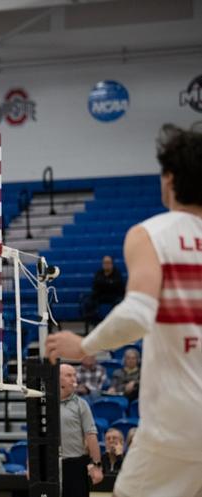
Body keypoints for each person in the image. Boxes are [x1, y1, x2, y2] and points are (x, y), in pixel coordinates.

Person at [49, 124, 202, 497]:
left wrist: (83, 345)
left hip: (180, 421)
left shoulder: (151, 234)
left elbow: (136, 313)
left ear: (169, 178)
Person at [58, 364, 103, 497]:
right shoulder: (44, 402)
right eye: (68, 375)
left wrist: (97, 466)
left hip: (75, 465)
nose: (74, 379)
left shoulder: (81, 404)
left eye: (74, 375)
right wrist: (30, 463)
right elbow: (34, 435)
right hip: (50, 466)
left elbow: (91, 435)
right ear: (56, 378)